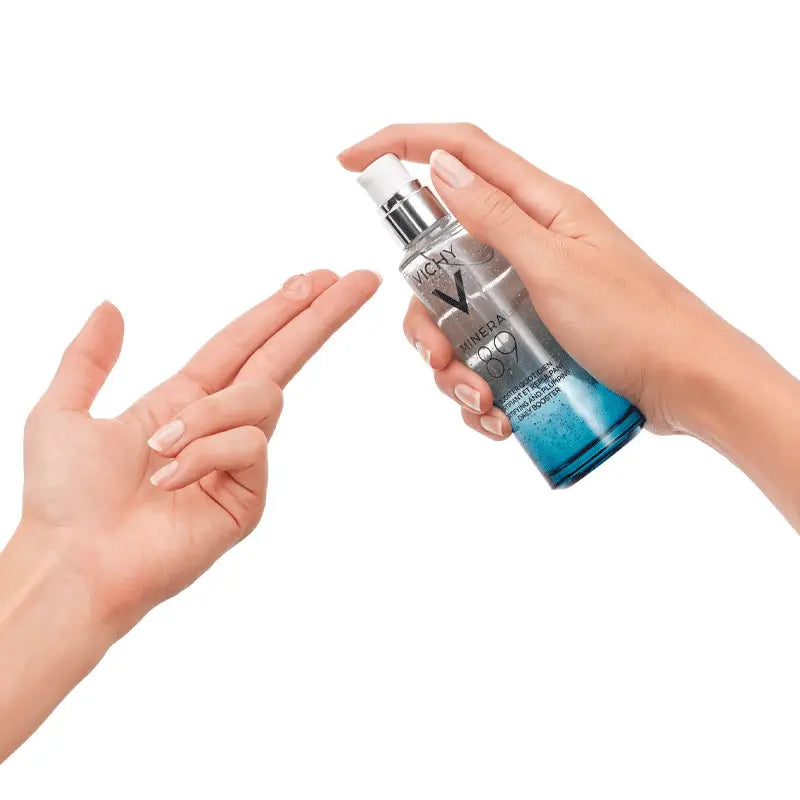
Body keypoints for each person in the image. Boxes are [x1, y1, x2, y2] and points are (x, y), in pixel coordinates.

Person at [2, 121, 798, 762]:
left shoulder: (453, 252)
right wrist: (66, 571)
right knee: (484, 354)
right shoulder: (431, 265)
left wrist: (671, 360)